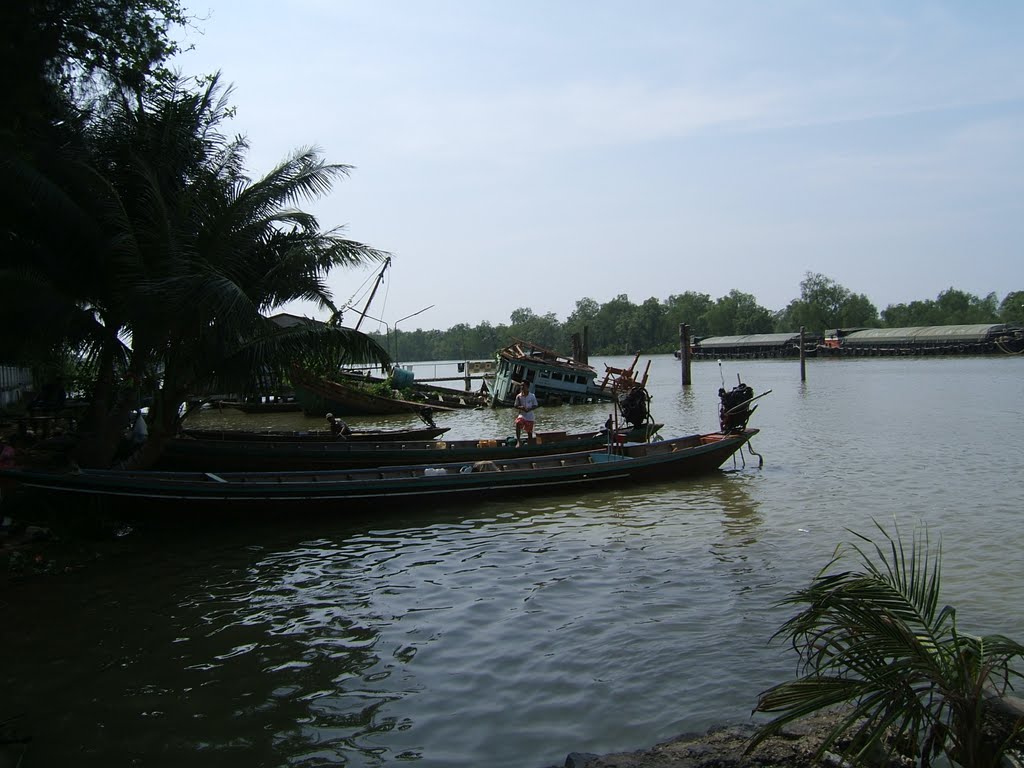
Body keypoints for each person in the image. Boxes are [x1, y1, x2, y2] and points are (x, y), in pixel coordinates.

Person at [513, 380, 538, 446]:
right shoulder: (519, 396)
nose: (522, 387)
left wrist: (529, 409)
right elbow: (515, 405)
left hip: (530, 416)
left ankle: (530, 446)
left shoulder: (532, 396)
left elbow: (535, 405)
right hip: (522, 415)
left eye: (523, 385)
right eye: (521, 385)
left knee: (529, 434)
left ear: (527, 387)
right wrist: (521, 407)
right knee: (518, 423)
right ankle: (518, 441)